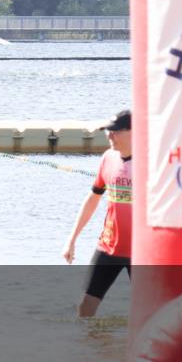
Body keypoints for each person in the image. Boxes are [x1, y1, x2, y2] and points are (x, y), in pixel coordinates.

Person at [62, 109, 133, 317]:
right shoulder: (108, 158)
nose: (110, 135)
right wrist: (72, 239)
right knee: (85, 307)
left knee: (149, 312)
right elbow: (93, 198)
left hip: (142, 253)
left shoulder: (152, 163)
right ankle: (89, 349)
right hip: (108, 248)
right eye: (107, 132)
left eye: (115, 131)